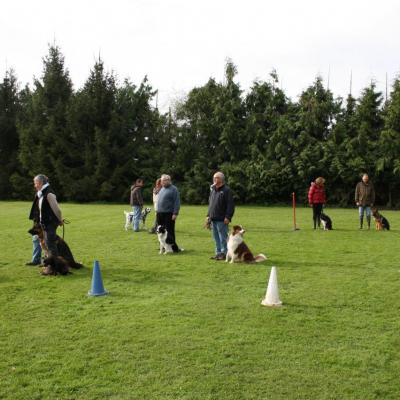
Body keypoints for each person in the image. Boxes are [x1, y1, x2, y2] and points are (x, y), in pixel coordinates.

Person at [29, 174, 63, 258]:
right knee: (47, 243)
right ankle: (49, 262)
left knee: (50, 245)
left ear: (40, 183)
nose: (34, 185)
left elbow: (57, 210)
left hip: (50, 223)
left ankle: (54, 266)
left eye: (35, 183)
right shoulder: (41, 193)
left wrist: (60, 220)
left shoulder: (49, 194)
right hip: (44, 223)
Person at [206, 171, 235, 260]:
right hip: (213, 218)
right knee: (216, 237)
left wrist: (228, 217)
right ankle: (218, 253)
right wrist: (208, 216)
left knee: (223, 238)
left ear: (221, 179)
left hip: (222, 219)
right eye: (214, 177)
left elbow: (230, 205)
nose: (214, 179)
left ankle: (225, 253)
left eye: (216, 177)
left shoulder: (226, 190)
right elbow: (211, 204)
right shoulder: (213, 190)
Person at [156, 174, 181, 252]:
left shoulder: (174, 189)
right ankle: (163, 247)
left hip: (169, 213)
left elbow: (177, 202)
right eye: (161, 181)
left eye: (163, 181)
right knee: (160, 231)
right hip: (160, 213)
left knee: (169, 231)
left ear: (168, 180)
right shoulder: (162, 189)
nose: (161, 182)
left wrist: (175, 213)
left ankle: (173, 248)